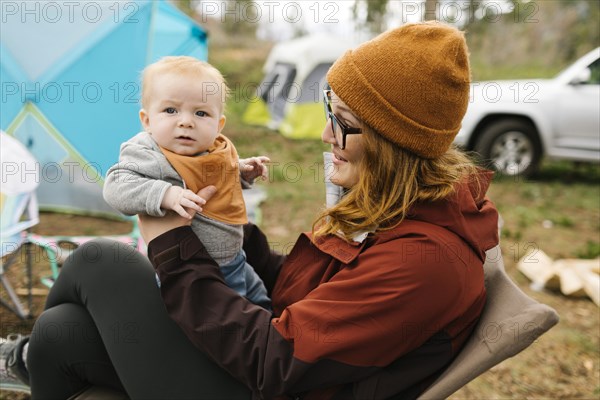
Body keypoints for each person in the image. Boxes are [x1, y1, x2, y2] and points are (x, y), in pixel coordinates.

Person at [1, 21, 499, 399]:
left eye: (343, 122)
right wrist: (226, 225)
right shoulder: (404, 215)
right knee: (59, 333)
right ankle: (24, 356)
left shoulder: (425, 263)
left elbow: (275, 360)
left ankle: (19, 357)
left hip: (260, 384)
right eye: (330, 114)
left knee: (102, 262)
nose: (328, 136)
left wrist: (173, 241)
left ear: (394, 142)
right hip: (257, 371)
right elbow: (309, 297)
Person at [102, 56, 271, 309]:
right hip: (189, 268)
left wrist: (243, 172)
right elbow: (116, 186)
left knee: (261, 302)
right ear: (147, 120)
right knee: (226, 319)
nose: (186, 121)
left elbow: (220, 177)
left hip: (234, 259)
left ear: (218, 124)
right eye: (171, 110)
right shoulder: (150, 152)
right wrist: (166, 194)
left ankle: (277, 337)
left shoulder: (214, 150)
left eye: (201, 113)